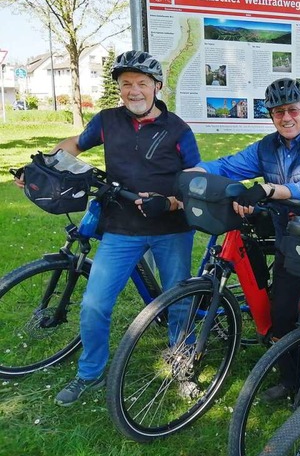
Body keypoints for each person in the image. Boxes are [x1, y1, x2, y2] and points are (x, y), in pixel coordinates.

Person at [14, 50, 202, 406]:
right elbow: (74, 145)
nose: (134, 91)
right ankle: (90, 373)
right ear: (119, 88)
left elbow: (196, 176)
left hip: (171, 227)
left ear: (157, 87)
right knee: (95, 304)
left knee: (178, 303)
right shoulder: (107, 120)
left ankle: (182, 366)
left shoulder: (178, 128)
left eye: (142, 83)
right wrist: (41, 167)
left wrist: (173, 201)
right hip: (121, 226)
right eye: (126, 83)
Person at [192, 77, 300, 400]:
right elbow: (228, 166)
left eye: (291, 109)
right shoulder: (266, 147)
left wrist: (268, 189)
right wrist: (195, 173)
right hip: (289, 237)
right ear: (271, 116)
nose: (286, 117)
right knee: (282, 311)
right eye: (277, 112)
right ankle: (292, 380)